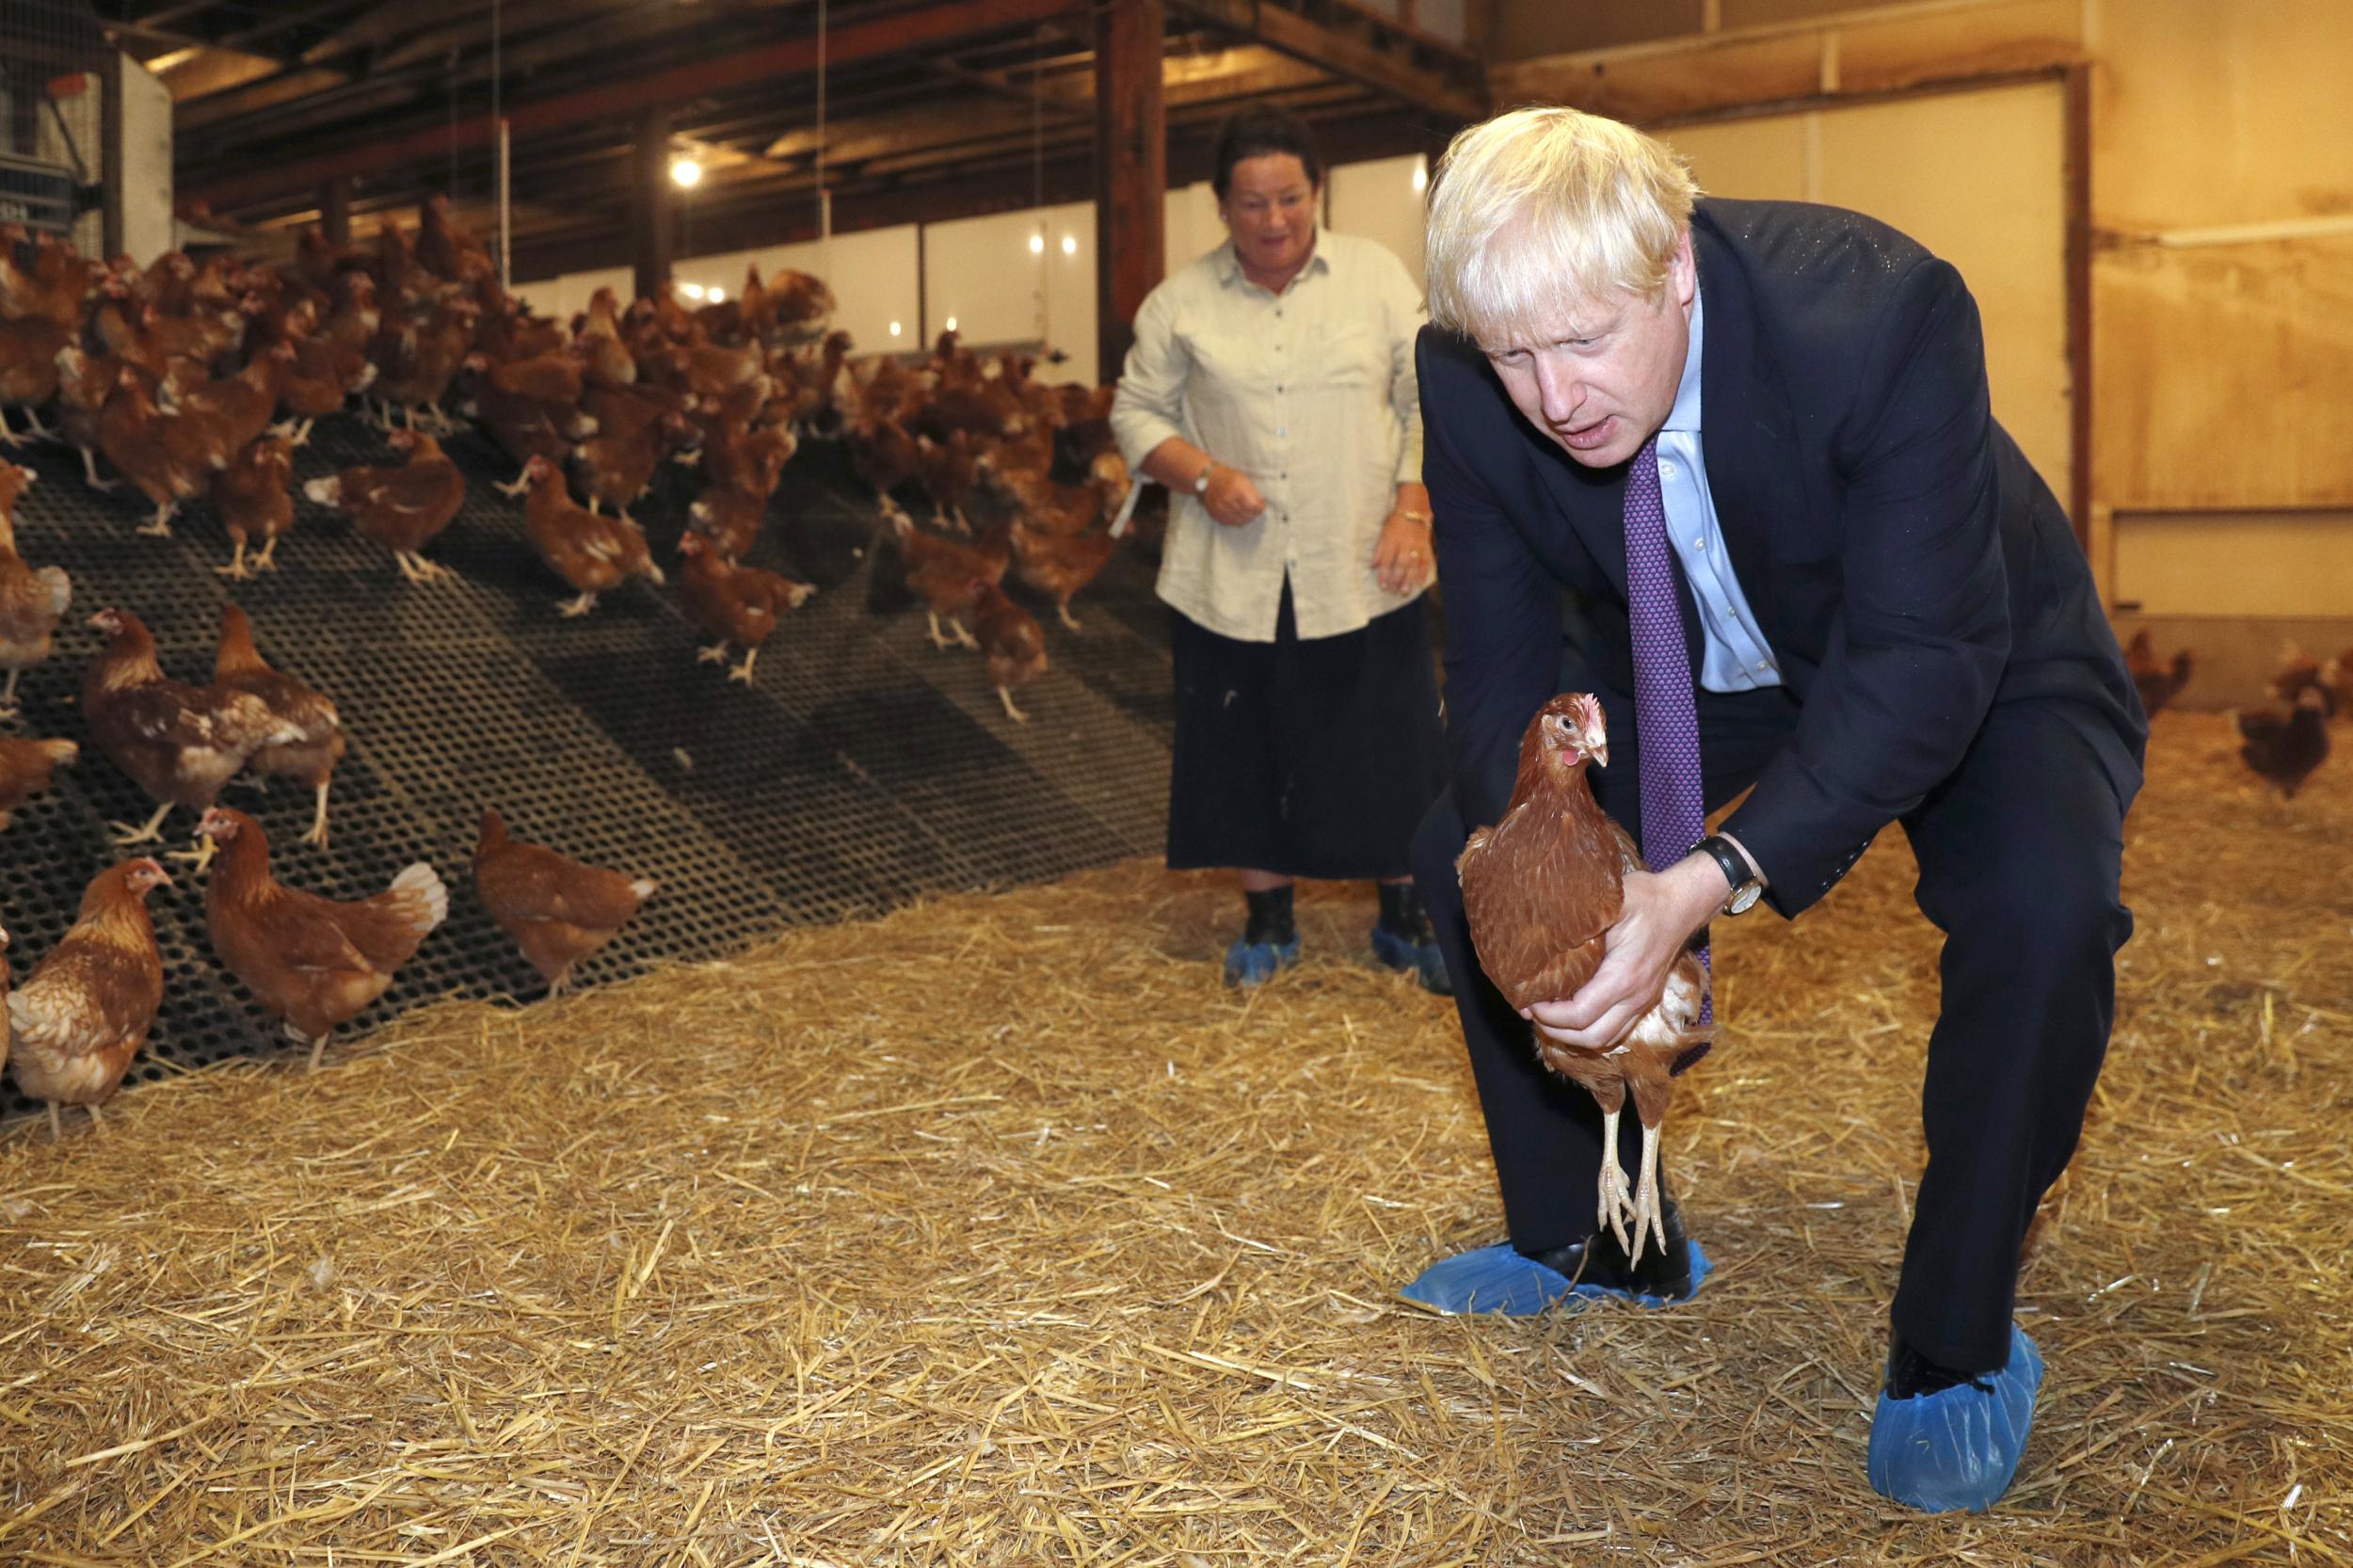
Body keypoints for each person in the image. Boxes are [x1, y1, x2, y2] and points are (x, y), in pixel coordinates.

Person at [1398, 105, 2147, 1513]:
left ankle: (1955, 1340)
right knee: (1462, 847)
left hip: (1963, 639)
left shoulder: (1877, 312)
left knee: (2041, 913)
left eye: (1583, 341)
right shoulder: (1461, 374)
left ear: (1673, 264)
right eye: (1513, 355)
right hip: (1695, 652)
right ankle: (1599, 1242)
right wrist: (1541, 847)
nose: (1552, 397)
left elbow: (1924, 659)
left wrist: (1704, 879)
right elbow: (1495, 659)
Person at [1112, 107, 1450, 992]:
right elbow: (1134, 414)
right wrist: (1198, 473)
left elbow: (1429, 403)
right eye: (1251, 202)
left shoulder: (1376, 281)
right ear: (1220, 207)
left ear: (1317, 192)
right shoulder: (1178, 304)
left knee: (1392, 741)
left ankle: (1405, 918)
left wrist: (1411, 510)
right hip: (1233, 572)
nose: (1273, 220)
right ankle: (1269, 922)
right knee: (1243, 745)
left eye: (1289, 198)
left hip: (1367, 562)